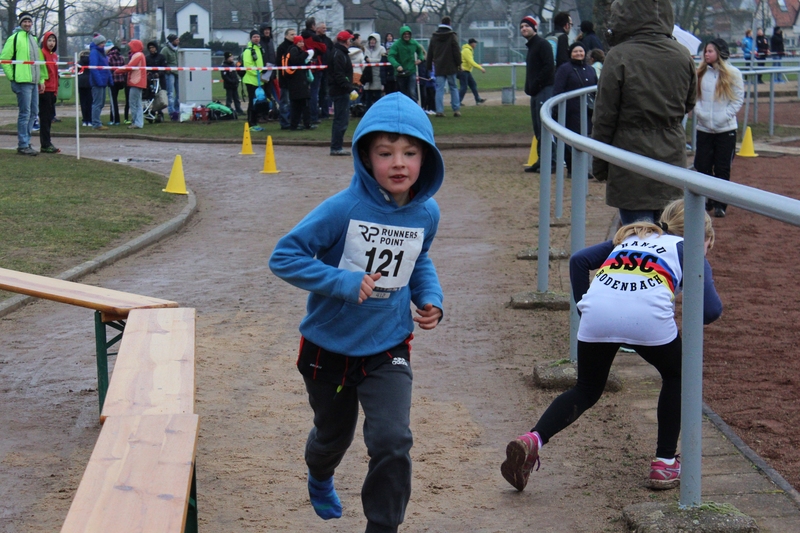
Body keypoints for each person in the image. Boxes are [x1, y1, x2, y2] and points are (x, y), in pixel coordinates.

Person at [268, 91, 445, 533]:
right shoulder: (342, 208)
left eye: (410, 153)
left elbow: (419, 258)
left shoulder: (426, 212)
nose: (399, 163)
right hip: (328, 344)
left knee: (392, 440)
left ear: (426, 157)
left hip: (388, 344)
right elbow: (284, 257)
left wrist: (430, 297)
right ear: (366, 157)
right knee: (333, 437)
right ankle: (320, 473)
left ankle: (382, 526)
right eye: (386, 153)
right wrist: (343, 282)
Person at [501, 199, 723, 493]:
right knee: (677, 376)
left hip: (598, 313)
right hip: (648, 320)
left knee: (586, 389)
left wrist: (584, 308)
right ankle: (664, 462)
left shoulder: (634, 234)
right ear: (703, 238)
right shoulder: (689, 249)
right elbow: (711, 312)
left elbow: (579, 260)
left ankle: (533, 439)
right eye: (709, 245)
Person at [591, 0, 696, 225]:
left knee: (636, 238)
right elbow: (690, 101)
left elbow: (604, 117)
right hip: (671, 156)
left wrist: (599, 164)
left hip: (630, 159)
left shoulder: (618, 56)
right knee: (669, 235)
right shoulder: (682, 54)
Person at [693, 39, 744, 219]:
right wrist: (701, 114)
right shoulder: (700, 73)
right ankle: (706, 200)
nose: (706, 54)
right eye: (705, 51)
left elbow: (737, 99)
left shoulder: (733, 73)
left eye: (710, 51)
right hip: (704, 129)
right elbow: (695, 97)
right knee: (702, 166)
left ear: (719, 53)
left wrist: (724, 116)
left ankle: (720, 204)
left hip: (726, 130)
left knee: (722, 168)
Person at [1, 12, 46, 155]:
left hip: (33, 81)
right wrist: (13, 78)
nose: (27, 24)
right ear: (20, 23)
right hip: (22, 82)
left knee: (34, 112)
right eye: (25, 21)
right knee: (25, 113)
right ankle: (23, 144)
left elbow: (38, 62)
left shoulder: (33, 38)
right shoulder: (14, 38)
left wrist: (41, 80)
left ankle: (26, 141)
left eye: (29, 22)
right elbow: (4, 59)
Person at [553, 41, 597, 173]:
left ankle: (586, 168)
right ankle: (573, 168)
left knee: (587, 137)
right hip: (570, 111)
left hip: (588, 110)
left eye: (581, 51)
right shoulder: (564, 69)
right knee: (572, 139)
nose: (578, 54)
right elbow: (558, 89)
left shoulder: (591, 70)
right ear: (571, 53)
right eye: (575, 51)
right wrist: (557, 110)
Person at [519, 15, 554, 173]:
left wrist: (537, 84)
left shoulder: (542, 44)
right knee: (537, 128)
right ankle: (542, 159)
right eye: (522, 27)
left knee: (544, 127)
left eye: (527, 26)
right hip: (535, 91)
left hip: (543, 90)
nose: (524, 29)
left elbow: (548, 67)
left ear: (535, 28)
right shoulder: (532, 46)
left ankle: (551, 161)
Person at [426, 16, 462, 117]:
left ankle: (439, 111)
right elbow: (456, 51)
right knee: (453, 87)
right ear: (449, 23)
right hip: (451, 66)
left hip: (439, 66)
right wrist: (459, 64)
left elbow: (430, 52)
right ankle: (456, 110)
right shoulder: (452, 36)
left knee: (439, 89)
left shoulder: (434, 36)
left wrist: (429, 66)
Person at [328, 30, 356, 156]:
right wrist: (349, 88)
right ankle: (336, 147)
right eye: (349, 39)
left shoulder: (339, 53)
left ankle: (336, 146)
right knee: (341, 120)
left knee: (341, 119)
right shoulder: (339, 54)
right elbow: (339, 75)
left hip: (341, 89)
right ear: (345, 41)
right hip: (340, 90)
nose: (351, 41)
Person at [388, 26, 425, 102]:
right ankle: (404, 107)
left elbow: (420, 51)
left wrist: (420, 59)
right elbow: (390, 56)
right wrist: (397, 65)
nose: (407, 35)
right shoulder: (396, 44)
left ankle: (414, 108)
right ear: (401, 35)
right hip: (400, 73)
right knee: (403, 93)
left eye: (408, 34)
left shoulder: (414, 43)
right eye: (405, 34)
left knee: (412, 92)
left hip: (411, 71)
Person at [286, 36, 315, 131]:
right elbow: (296, 61)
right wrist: (306, 54)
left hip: (299, 81)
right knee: (302, 104)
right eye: (300, 42)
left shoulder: (297, 50)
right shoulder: (294, 50)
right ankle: (305, 124)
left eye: (302, 42)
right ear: (296, 43)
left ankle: (296, 124)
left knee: (298, 105)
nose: (302, 44)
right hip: (297, 82)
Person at [302, 18, 328, 124]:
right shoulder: (314, 37)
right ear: (313, 26)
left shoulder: (302, 36)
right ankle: (314, 116)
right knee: (314, 92)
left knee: (305, 92)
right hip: (315, 66)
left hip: (304, 65)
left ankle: (305, 115)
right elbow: (324, 49)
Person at [38, 31, 59, 154]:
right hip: (45, 90)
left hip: (53, 90)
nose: (51, 43)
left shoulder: (54, 56)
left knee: (49, 118)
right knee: (45, 119)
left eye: (53, 41)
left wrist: (56, 90)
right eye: (49, 40)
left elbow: (55, 74)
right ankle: (45, 144)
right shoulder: (42, 53)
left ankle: (47, 142)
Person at [120, 39, 146, 130]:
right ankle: (139, 122)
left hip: (136, 82)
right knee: (138, 103)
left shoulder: (137, 55)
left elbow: (129, 67)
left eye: (131, 46)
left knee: (133, 103)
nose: (130, 48)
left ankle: (135, 122)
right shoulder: (140, 55)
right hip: (138, 82)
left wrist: (118, 70)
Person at [243, 30, 266, 132]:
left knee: (258, 103)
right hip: (251, 81)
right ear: (251, 38)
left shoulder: (259, 49)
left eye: (258, 37)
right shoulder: (248, 51)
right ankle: (251, 123)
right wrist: (259, 73)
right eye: (254, 37)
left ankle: (255, 122)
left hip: (259, 81)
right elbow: (248, 66)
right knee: (252, 103)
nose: (256, 39)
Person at [89, 34, 112, 131]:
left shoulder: (102, 53)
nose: (104, 44)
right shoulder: (94, 52)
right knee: (97, 103)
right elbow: (93, 68)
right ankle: (96, 123)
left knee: (101, 103)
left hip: (103, 82)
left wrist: (109, 79)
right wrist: (99, 81)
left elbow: (106, 67)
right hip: (98, 83)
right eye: (102, 42)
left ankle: (97, 121)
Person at [276, 28, 296, 130]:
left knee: (293, 102)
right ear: (286, 36)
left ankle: (293, 121)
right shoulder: (282, 47)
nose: (294, 36)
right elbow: (279, 63)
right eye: (291, 34)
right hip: (285, 79)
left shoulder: (295, 46)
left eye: (295, 34)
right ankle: (284, 122)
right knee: (285, 102)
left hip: (294, 80)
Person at [459, 38, 486, 106]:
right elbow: (471, 62)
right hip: (463, 71)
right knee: (464, 87)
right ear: (472, 44)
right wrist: (481, 68)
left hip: (466, 71)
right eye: (475, 43)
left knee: (473, 84)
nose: (475, 45)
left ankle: (478, 99)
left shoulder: (469, 50)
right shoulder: (467, 50)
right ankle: (457, 101)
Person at [315, 23, 334, 120]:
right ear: (317, 29)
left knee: (325, 91)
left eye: (325, 28)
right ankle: (316, 112)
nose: (325, 29)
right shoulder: (315, 39)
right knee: (316, 92)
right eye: (323, 28)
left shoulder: (328, 40)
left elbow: (331, 51)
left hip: (326, 69)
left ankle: (325, 113)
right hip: (317, 69)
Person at [362, 33, 386, 109]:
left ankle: (378, 110)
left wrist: (371, 60)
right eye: (371, 40)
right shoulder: (366, 49)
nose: (372, 41)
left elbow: (382, 60)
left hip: (377, 74)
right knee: (368, 97)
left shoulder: (382, 49)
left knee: (377, 96)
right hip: (368, 75)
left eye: (374, 40)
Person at [161, 34, 180, 120]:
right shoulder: (165, 50)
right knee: (170, 93)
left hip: (178, 72)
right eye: (176, 40)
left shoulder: (178, 49)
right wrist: (166, 70)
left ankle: (177, 110)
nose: (178, 41)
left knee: (179, 93)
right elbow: (162, 60)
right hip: (170, 73)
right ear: (172, 41)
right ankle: (171, 112)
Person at [146, 41, 166, 122]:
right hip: (151, 80)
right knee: (152, 97)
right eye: (150, 48)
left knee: (160, 97)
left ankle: (158, 113)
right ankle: (153, 112)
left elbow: (164, 68)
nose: (151, 49)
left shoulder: (161, 57)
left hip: (160, 80)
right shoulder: (147, 58)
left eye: (153, 47)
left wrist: (159, 74)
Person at [106, 43, 126, 125]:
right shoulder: (121, 57)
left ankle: (114, 119)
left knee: (113, 101)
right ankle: (115, 119)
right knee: (115, 100)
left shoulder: (109, 58)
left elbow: (108, 70)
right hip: (120, 81)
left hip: (112, 81)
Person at [77, 49, 92, 127]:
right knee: (90, 102)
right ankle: (89, 120)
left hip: (81, 83)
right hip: (89, 83)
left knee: (83, 103)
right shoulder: (91, 62)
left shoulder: (79, 63)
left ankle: (84, 120)